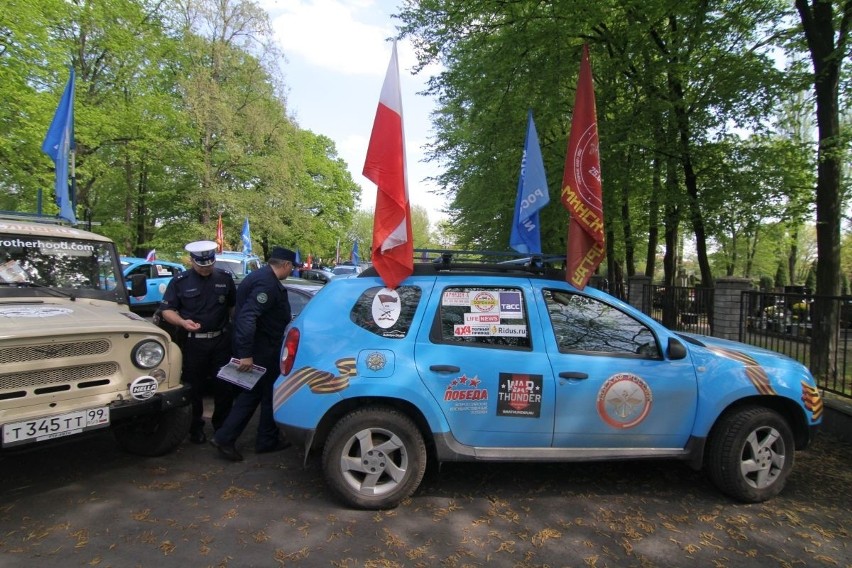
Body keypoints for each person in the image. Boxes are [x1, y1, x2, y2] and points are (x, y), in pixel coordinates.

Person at [210, 246, 295, 461]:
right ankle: (226, 438)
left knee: (263, 394)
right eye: (291, 267)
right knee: (253, 395)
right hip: (261, 350)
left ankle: (266, 439)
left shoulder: (262, 277)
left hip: (264, 348)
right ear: (285, 265)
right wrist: (246, 354)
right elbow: (247, 317)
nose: (291, 271)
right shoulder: (266, 283)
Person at [160, 240, 237, 444]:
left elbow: (232, 307)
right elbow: (166, 310)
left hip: (221, 341)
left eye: (209, 264)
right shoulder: (180, 281)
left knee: (224, 387)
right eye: (202, 265)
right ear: (192, 262)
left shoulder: (224, 278)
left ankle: (221, 427)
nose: (206, 269)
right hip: (194, 344)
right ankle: (196, 428)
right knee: (195, 388)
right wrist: (182, 323)